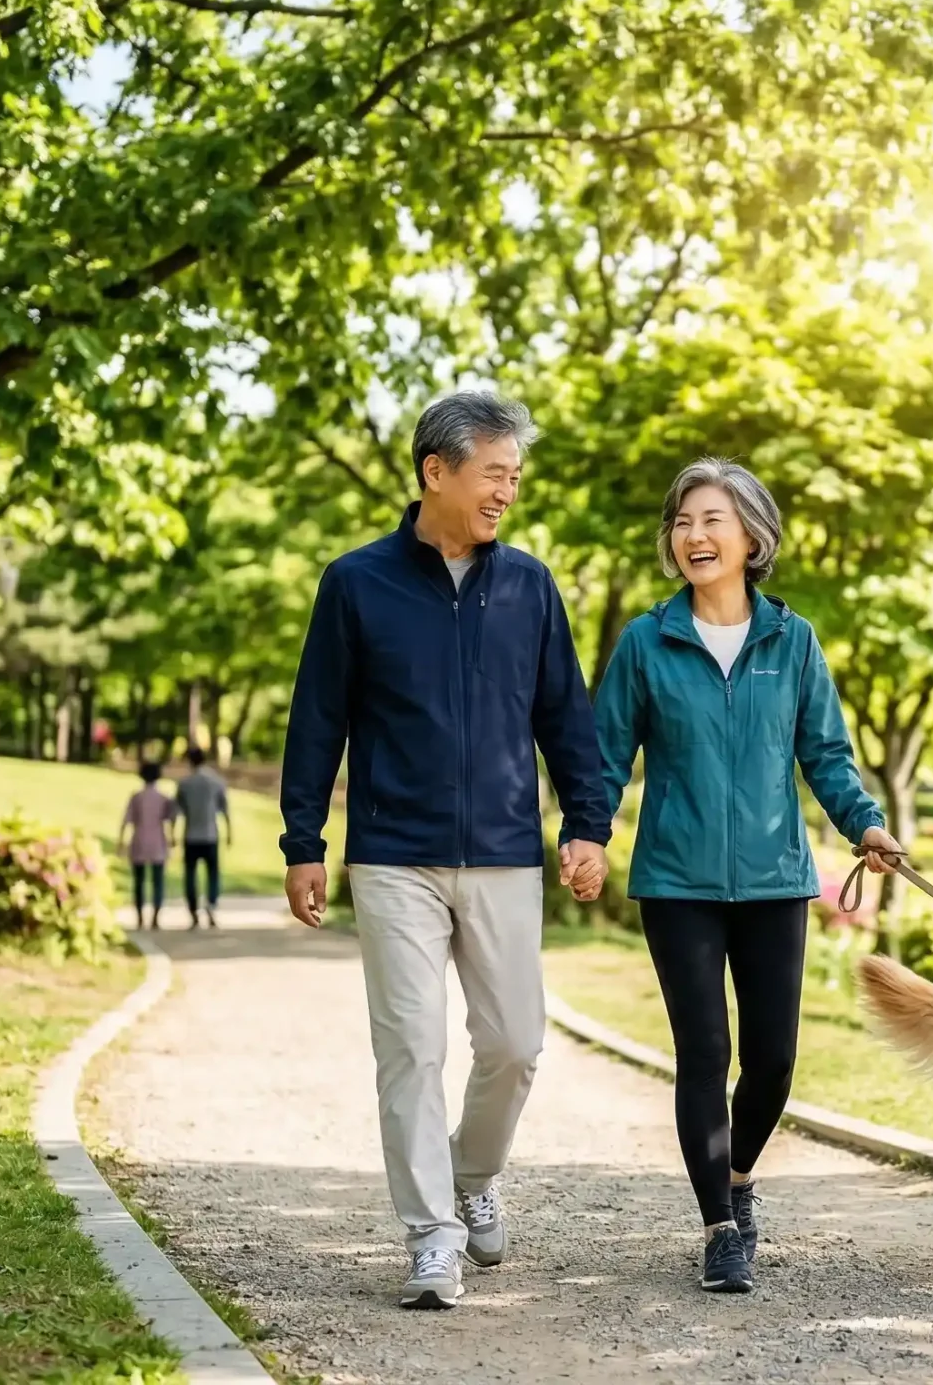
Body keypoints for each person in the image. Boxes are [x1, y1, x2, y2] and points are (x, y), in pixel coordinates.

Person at [279, 390, 611, 1312]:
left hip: (505, 851)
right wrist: (303, 840)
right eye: (494, 473)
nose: (508, 490)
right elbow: (318, 721)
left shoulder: (531, 586)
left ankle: (473, 1174)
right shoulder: (356, 583)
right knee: (411, 1050)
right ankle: (431, 1234)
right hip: (392, 855)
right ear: (438, 471)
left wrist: (586, 823)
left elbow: (565, 720)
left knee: (515, 1044)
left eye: (514, 475)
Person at [592, 458, 899, 1295]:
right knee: (704, 1052)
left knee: (772, 1063)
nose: (694, 535)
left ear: (752, 536)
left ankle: (737, 1177)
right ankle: (721, 1230)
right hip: (677, 883)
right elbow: (606, 753)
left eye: (712, 520)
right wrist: (587, 833)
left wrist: (865, 824)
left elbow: (825, 755)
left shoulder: (791, 642)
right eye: (683, 522)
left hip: (773, 881)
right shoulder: (647, 643)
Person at [175, 746, 231, 928]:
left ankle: (193, 911)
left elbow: (177, 811)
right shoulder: (216, 781)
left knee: (190, 875)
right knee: (213, 874)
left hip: (191, 835)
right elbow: (225, 809)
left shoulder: (185, 783)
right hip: (210, 835)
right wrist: (230, 832)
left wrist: (171, 833)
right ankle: (211, 904)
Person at [119, 761, 178, 929]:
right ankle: (155, 917)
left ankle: (139, 918)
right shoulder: (163, 798)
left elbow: (126, 820)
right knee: (158, 881)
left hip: (139, 841)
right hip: (158, 841)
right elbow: (171, 819)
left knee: (139, 882)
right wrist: (173, 837)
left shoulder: (136, 797)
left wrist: (121, 842)